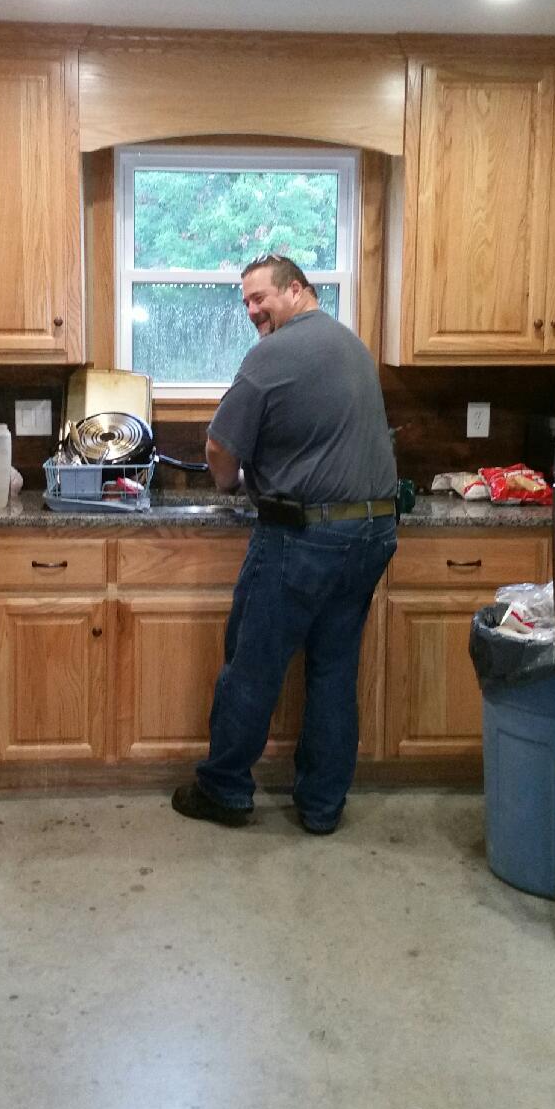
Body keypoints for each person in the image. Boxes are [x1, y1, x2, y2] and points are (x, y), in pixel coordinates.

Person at [172, 253, 398, 834]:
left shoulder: (272, 355)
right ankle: (322, 808)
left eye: (260, 298)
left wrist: (228, 484)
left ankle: (224, 790)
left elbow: (220, 448)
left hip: (303, 535)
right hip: (373, 532)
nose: (252, 310)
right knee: (333, 670)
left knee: (252, 667)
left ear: (297, 289)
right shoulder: (353, 346)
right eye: (245, 301)